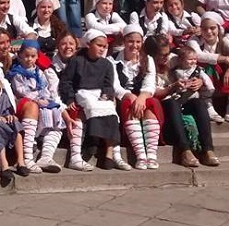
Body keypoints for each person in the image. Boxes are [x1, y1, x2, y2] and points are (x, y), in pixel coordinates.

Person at [58, 30, 129, 170]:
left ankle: (112, 154)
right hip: (83, 93)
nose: (102, 49)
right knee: (91, 106)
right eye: (99, 45)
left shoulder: (107, 64)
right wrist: (70, 98)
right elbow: (66, 82)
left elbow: (108, 85)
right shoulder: (77, 61)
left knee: (110, 111)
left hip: (100, 95)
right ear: (89, 44)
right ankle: (93, 142)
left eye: (104, 46)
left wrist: (105, 96)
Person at [148, 39, 220, 168]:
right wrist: (172, 87)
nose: (166, 57)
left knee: (198, 103)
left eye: (167, 54)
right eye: (162, 55)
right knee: (172, 103)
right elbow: (152, 91)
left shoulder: (173, 60)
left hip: (181, 99)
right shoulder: (147, 66)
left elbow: (191, 66)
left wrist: (199, 82)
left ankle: (208, 149)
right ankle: (185, 150)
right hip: (163, 103)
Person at [7, 40, 65, 173]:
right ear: (20, 55)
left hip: (40, 99)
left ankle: (46, 156)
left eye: (33, 56)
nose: (29, 59)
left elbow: (44, 87)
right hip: (23, 101)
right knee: (35, 108)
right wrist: (37, 99)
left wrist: (45, 98)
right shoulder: (17, 72)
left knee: (56, 114)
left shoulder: (39, 72)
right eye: (26, 56)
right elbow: (20, 90)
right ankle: (28, 155)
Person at [113, 25, 163, 170]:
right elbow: (115, 86)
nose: (134, 45)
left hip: (143, 95)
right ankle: (140, 155)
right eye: (130, 41)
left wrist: (141, 97)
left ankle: (151, 155)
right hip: (125, 97)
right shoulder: (114, 59)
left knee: (151, 103)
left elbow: (149, 84)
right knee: (128, 103)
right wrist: (129, 95)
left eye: (138, 42)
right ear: (124, 41)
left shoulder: (148, 60)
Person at [45, 33, 92, 171]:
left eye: (71, 44)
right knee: (73, 111)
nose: (68, 47)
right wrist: (64, 109)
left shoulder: (81, 63)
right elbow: (54, 94)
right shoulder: (51, 67)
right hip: (56, 102)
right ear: (58, 46)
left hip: (76, 100)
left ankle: (77, 155)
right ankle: (73, 157)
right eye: (64, 44)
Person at [188, 11, 229, 123]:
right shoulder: (194, 40)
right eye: (205, 29)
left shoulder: (224, 40)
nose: (209, 32)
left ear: (218, 28)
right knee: (209, 66)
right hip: (203, 77)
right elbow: (199, 56)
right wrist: (225, 59)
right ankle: (209, 107)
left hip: (220, 79)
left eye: (212, 28)